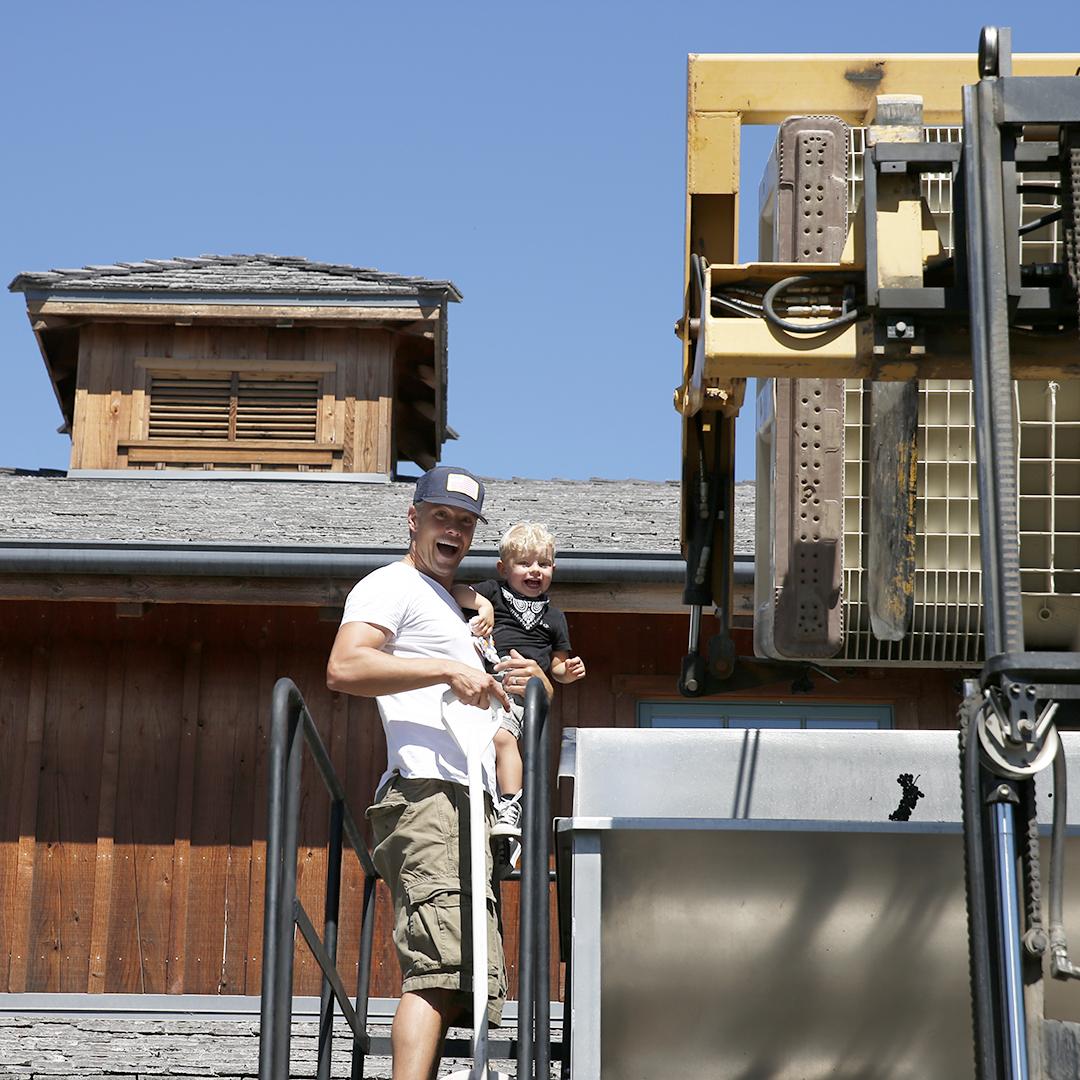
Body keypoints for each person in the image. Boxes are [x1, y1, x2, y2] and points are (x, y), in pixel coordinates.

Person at [325, 466, 547, 1080]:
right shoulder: (389, 584)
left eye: (466, 523)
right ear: (414, 519)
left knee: (468, 977)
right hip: (427, 793)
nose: (454, 530)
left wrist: (531, 681)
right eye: (442, 517)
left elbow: (501, 699)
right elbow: (344, 667)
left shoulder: (461, 611)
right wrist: (446, 672)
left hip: (472, 804)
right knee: (438, 969)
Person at [453, 522, 586, 838]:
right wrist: (482, 605)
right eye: (525, 563)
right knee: (488, 740)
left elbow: (556, 665)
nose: (535, 571)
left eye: (543, 564)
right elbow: (455, 591)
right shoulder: (493, 593)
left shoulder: (554, 617)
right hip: (489, 682)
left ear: (553, 568)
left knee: (502, 737)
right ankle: (499, 799)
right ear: (504, 568)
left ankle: (510, 804)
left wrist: (567, 673)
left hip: (521, 694)